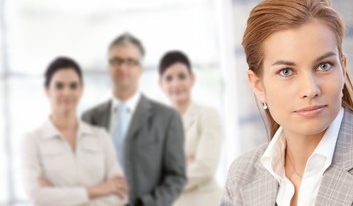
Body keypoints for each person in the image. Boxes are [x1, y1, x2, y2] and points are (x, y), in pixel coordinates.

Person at [221, 0, 353, 206]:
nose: (310, 89)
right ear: (258, 85)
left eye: (324, 66)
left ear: (342, 69)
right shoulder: (242, 176)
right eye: (286, 71)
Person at [82, 33, 186, 206]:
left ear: (140, 69)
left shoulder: (166, 118)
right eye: (116, 61)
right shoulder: (90, 119)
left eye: (130, 61)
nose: (123, 67)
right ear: (108, 67)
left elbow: (176, 177)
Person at [21, 56, 128, 206]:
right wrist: (98, 190)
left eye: (73, 86)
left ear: (81, 90)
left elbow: (120, 194)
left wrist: (59, 198)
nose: (67, 92)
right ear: (47, 90)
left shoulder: (100, 137)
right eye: (59, 86)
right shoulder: (32, 141)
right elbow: (36, 196)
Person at [158, 50, 223, 206]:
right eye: (169, 78)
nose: (176, 83)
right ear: (160, 84)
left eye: (181, 76)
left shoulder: (208, 116)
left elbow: (205, 167)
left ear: (192, 79)